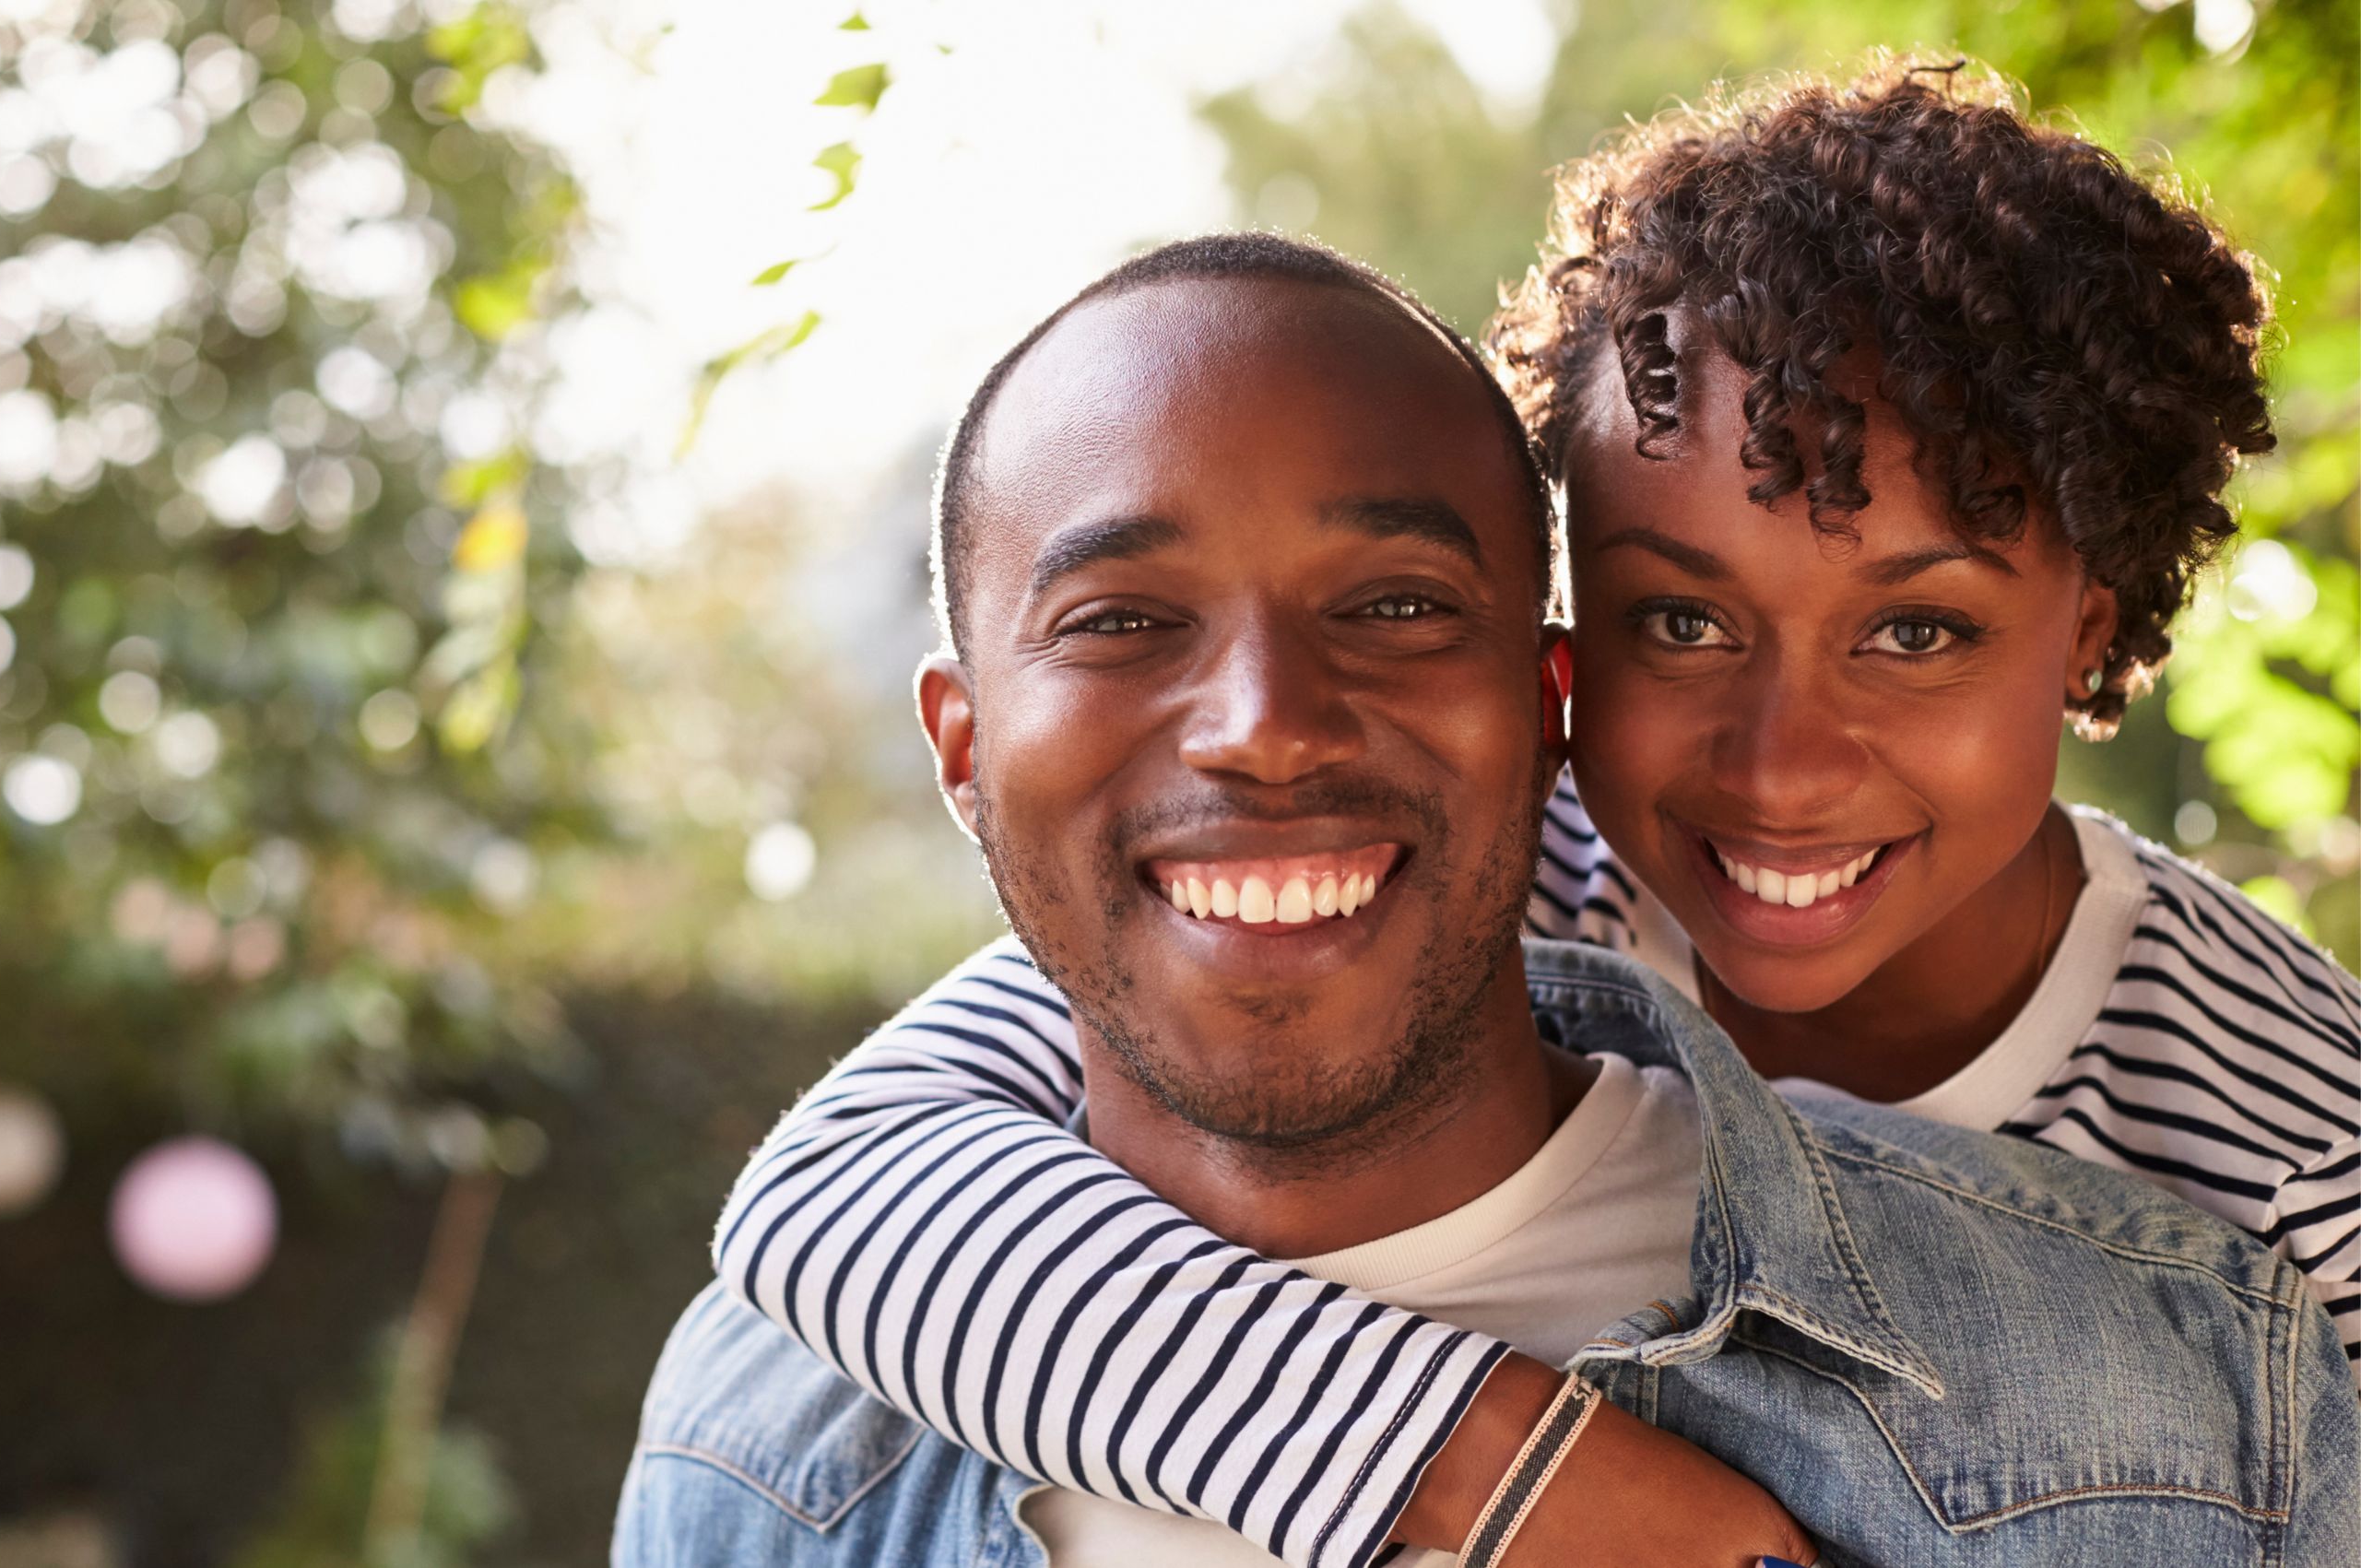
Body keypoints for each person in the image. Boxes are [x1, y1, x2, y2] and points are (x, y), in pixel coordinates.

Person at [703, 65, 2361, 1565]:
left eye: (1916, 633)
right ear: (1562, 658)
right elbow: (840, 1182)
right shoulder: (1501, 867)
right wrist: (1498, 1461)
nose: (1782, 767)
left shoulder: (2288, 1138)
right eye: (1684, 623)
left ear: (2087, 628)